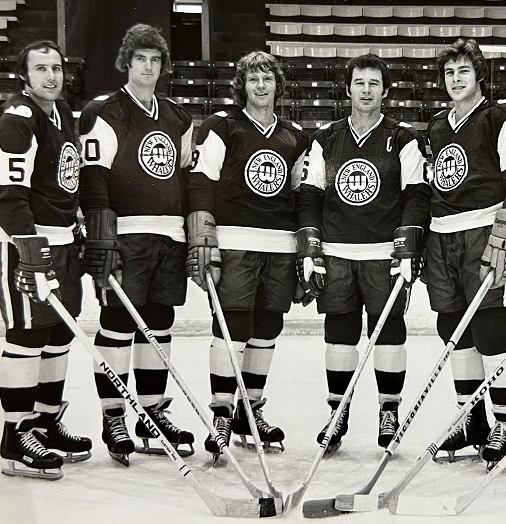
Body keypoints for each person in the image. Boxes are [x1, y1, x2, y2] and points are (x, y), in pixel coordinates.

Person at [296, 53, 431, 454]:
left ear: (385, 91)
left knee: (389, 335)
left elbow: (417, 195)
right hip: (336, 255)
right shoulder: (325, 138)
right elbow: (309, 195)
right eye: (360, 82)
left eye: (374, 83)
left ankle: (389, 412)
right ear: (348, 88)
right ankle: (338, 414)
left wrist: (407, 246)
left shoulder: (403, 138)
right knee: (339, 337)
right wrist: (310, 246)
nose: (367, 89)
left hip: (383, 257)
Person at [79, 24, 195, 466]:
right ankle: (114, 417)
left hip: (169, 236)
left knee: (159, 324)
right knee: (118, 324)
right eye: (140, 59)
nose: (148, 67)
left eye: (155, 60)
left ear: (164, 67)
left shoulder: (178, 118)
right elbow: (94, 177)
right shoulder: (103, 111)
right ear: (126, 63)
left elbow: (187, 177)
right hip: (125, 235)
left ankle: (151, 412)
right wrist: (101, 237)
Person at [186, 51, 308, 462]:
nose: (261, 86)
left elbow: (302, 193)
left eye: (267, 79)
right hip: (235, 241)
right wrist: (204, 235)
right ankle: (222, 410)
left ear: (277, 85)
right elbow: (201, 181)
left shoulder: (295, 135)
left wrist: (307, 246)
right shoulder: (222, 126)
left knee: (267, 327)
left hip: (279, 244)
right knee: (232, 325)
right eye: (253, 79)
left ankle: (249, 409)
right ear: (242, 86)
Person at [425, 39, 506, 466]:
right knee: (453, 328)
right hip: (444, 237)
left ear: (479, 76)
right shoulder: (437, 126)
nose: (456, 80)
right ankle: (471, 419)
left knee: (493, 327)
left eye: (463, 72)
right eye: (449, 73)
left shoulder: (504, 116)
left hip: (486, 230)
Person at [0, 40, 91, 480]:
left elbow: (64, 183)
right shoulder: (17, 121)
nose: (52, 76)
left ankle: (45, 423)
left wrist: (78, 223)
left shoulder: (62, 113)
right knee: (27, 337)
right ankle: (16, 433)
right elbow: (8, 201)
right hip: (22, 246)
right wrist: (31, 249)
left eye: (57, 68)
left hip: (62, 244)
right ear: (24, 76)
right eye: (42, 69)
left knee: (58, 335)